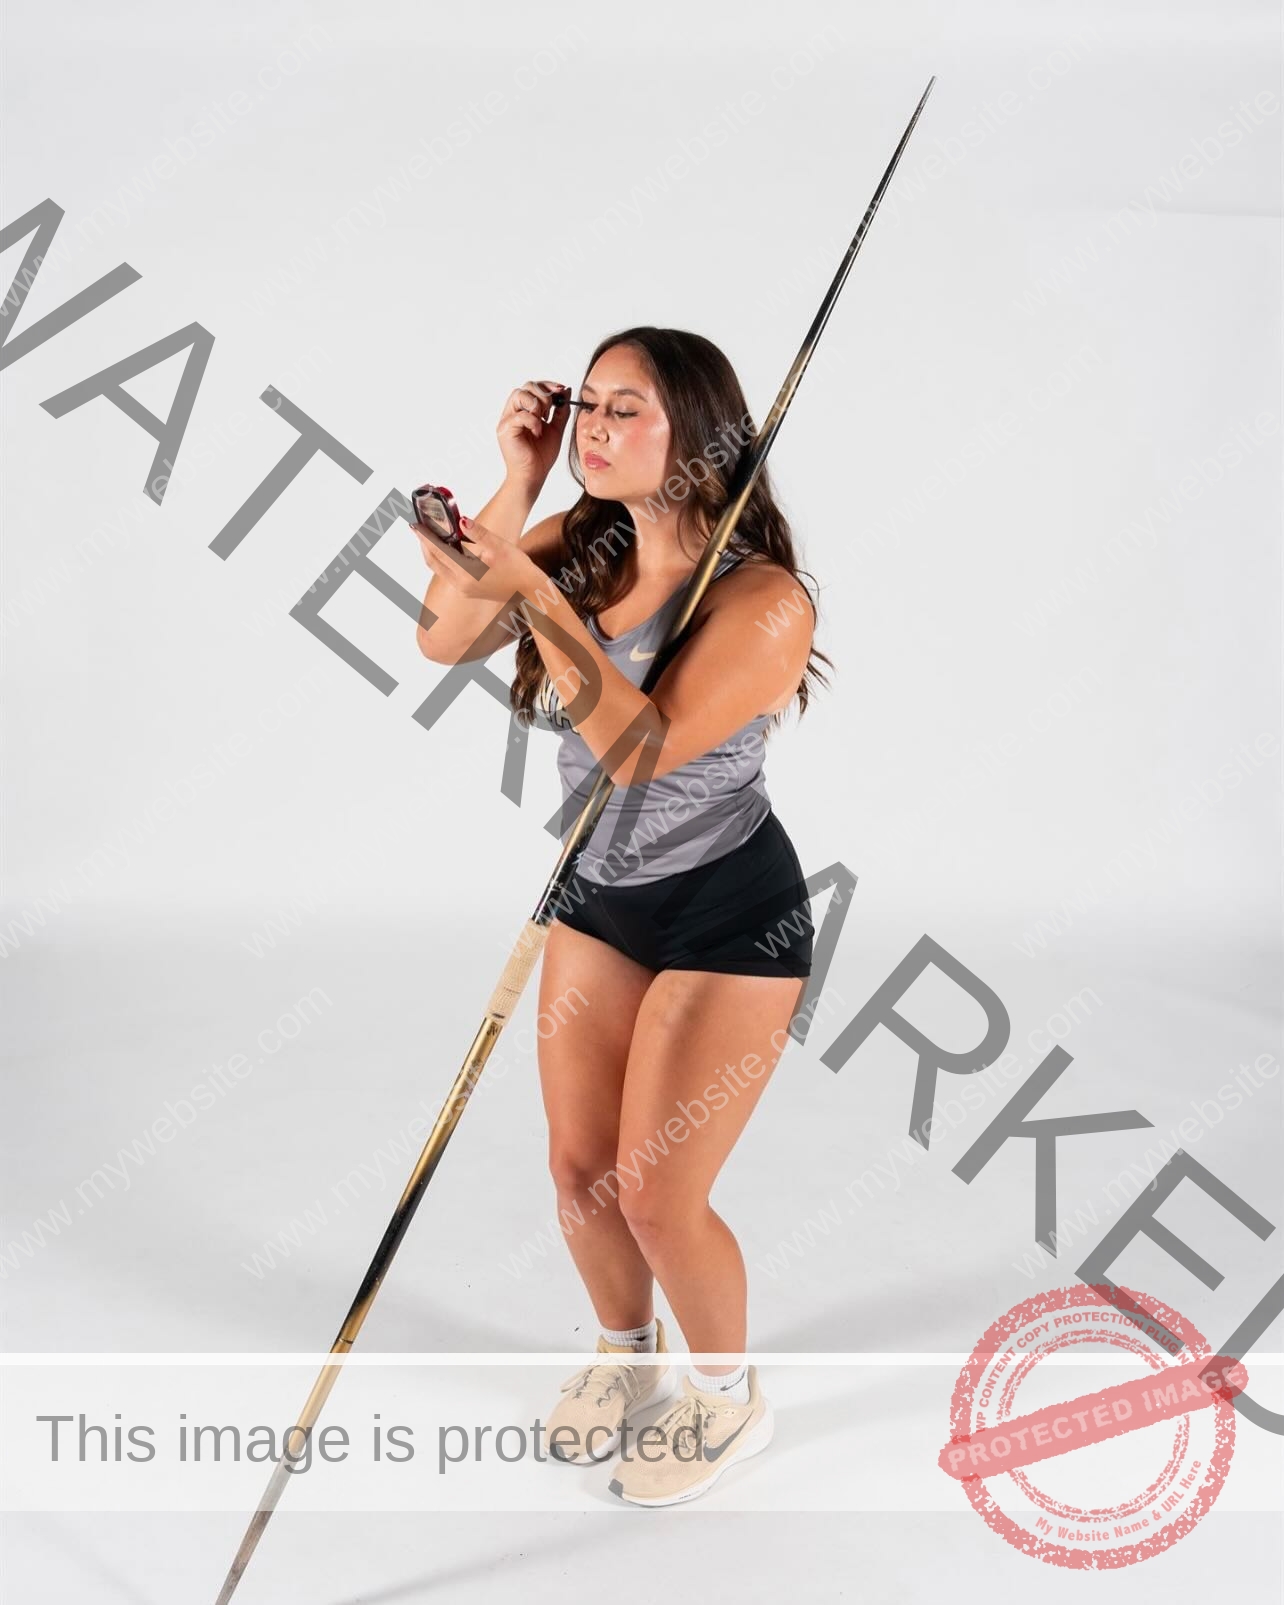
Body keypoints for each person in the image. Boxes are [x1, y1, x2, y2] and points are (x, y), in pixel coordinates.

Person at [413, 326, 831, 1507]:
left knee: (656, 1192)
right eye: (586, 404)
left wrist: (533, 595)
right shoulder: (583, 542)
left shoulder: (763, 602)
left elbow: (639, 753)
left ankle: (724, 1395)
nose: (594, 427)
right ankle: (624, 1358)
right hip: (599, 897)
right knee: (582, 1171)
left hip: (727, 916)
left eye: (625, 410)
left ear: (696, 437)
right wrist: (519, 488)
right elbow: (443, 634)